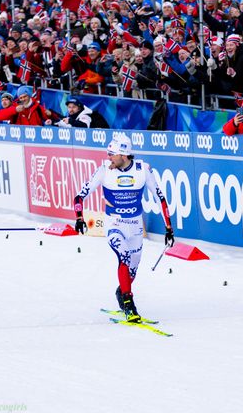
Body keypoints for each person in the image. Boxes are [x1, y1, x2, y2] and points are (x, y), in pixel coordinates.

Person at [73, 134, 175, 322]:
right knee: (124, 257)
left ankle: (122, 290)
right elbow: (80, 196)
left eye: (112, 154)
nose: (108, 157)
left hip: (135, 226)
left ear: (124, 154)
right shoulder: (104, 170)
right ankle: (129, 304)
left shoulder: (143, 169)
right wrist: (79, 217)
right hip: (115, 225)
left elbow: (160, 198)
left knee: (132, 269)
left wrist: (169, 228)